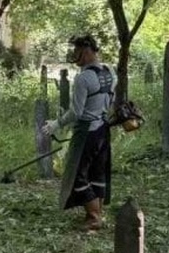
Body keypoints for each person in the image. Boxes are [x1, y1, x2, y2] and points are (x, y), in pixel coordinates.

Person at [42, 35, 116, 230]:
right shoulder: (110, 72)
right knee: (97, 171)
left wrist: (56, 124)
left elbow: (76, 112)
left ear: (87, 51)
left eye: (77, 50)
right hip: (103, 129)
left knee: (76, 174)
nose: (74, 55)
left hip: (87, 132)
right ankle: (98, 213)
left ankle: (94, 217)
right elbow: (111, 101)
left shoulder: (83, 78)